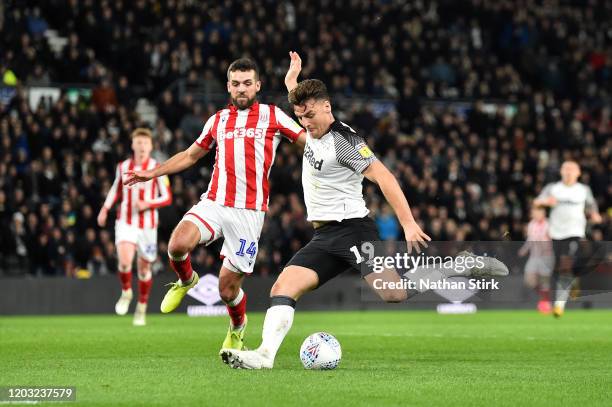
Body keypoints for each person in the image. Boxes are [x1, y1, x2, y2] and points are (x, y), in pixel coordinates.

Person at [124, 58, 305, 354]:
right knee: (177, 244)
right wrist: (152, 173)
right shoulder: (218, 120)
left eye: (248, 83)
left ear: (257, 86)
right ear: (228, 87)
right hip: (215, 202)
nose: (242, 89)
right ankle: (186, 279)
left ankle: (237, 327)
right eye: (236, 84)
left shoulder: (273, 116)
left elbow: (307, 141)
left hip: (249, 213)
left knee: (226, 290)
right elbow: (190, 155)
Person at [97, 128, 172, 326]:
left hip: (148, 226)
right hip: (126, 220)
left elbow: (167, 197)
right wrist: (105, 209)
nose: (141, 147)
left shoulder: (158, 167)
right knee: (124, 261)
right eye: (138, 143)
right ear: (132, 145)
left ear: (151, 146)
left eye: (145, 143)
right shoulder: (124, 166)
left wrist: (148, 204)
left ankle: (142, 306)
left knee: (144, 267)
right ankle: (126, 292)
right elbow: (115, 189)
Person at [533, 160, 602, 318]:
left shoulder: (583, 190)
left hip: (575, 231)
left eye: (572, 169)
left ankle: (559, 305)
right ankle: (571, 282)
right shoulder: (553, 188)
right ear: (561, 172)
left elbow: (591, 205)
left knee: (567, 263)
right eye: (566, 169)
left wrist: (595, 214)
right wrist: (545, 202)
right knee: (562, 268)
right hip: (557, 234)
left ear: (578, 173)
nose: (569, 172)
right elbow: (536, 202)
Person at [518, 206, 554, 314]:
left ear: (542, 213)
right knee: (529, 280)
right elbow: (530, 239)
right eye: (533, 212)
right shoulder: (531, 224)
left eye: (535, 212)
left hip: (546, 256)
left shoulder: (549, 224)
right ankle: (544, 299)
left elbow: (552, 238)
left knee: (544, 281)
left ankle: (545, 303)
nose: (533, 214)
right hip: (534, 256)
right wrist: (524, 249)